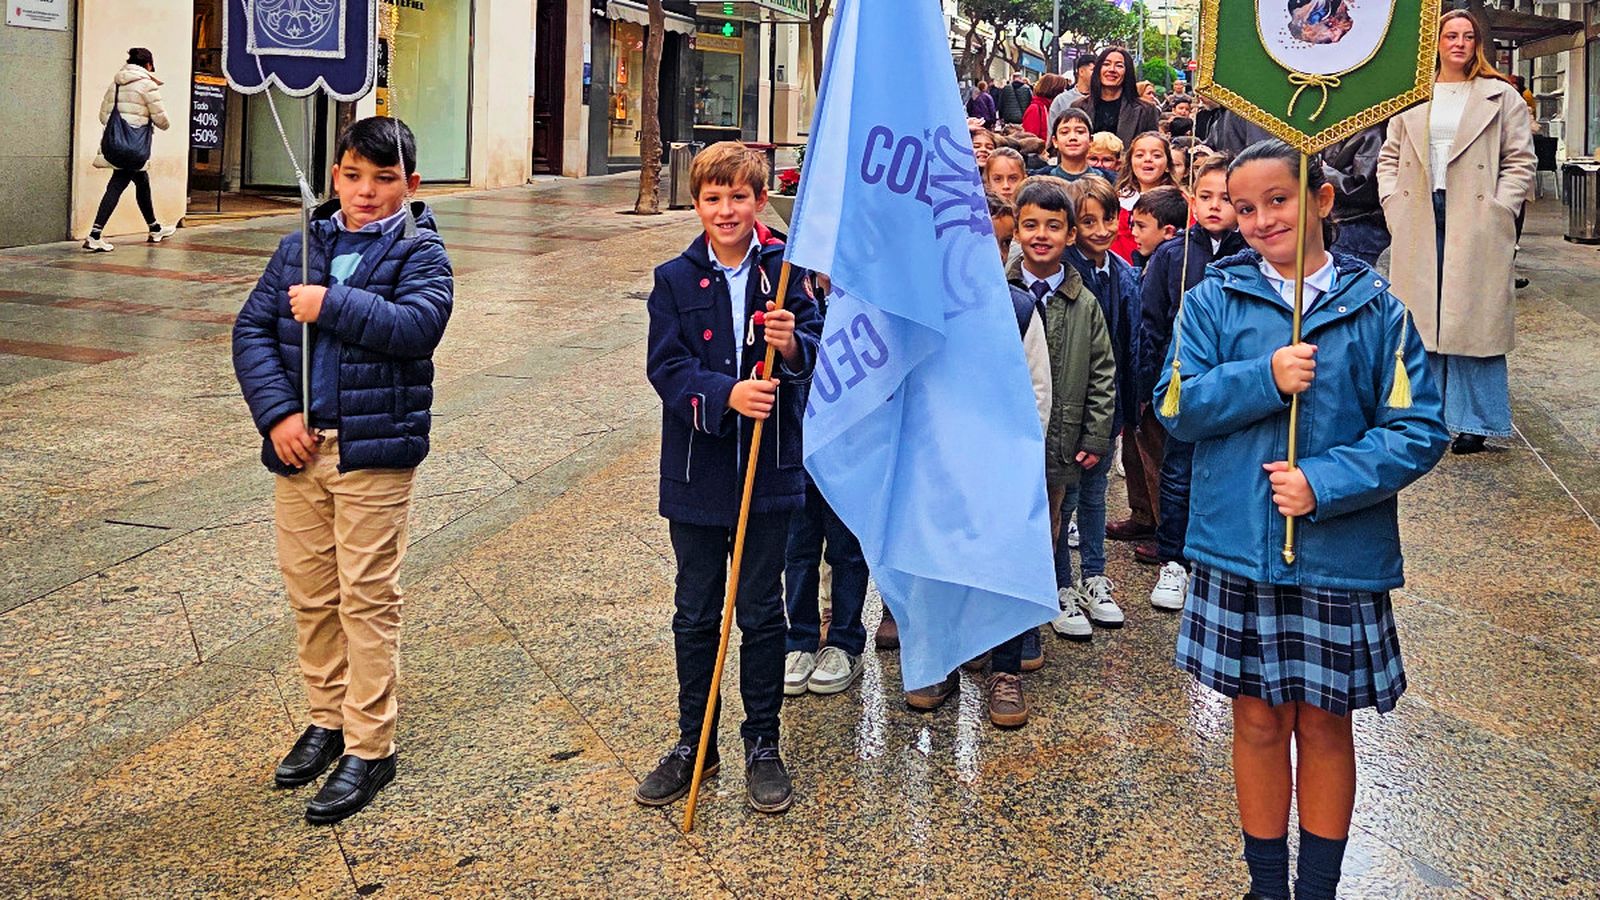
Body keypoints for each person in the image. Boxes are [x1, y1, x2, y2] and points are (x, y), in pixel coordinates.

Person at [1156, 138, 1447, 900]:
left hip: (1336, 552)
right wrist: (1263, 376)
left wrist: (1323, 481)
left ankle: (1317, 887)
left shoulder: (1377, 308)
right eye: (1244, 208)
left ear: (1320, 201)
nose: (1259, 220)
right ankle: (1266, 886)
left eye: (1277, 201)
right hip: (1238, 547)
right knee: (1256, 721)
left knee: (1323, 724)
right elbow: (1175, 404)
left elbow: (1418, 427)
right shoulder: (1212, 300)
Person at [233, 116, 454, 825]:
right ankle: (325, 718)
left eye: (384, 179)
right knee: (312, 595)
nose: (366, 191)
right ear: (335, 177)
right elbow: (252, 332)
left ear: (410, 185)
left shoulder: (422, 251)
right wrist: (277, 418)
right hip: (302, 449)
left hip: (373, 451)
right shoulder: (301, 246)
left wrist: (331, 304)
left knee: (367, 597)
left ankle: (369, 742)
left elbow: (418, 327)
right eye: (354, 176)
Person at [636, 142, 822, 813]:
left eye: (739, 197)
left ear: (760, 199)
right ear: (696, 204)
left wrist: (792, 343)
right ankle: (695, 741)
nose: (726, 210)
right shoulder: (674, 279)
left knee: (761, 611)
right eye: (713, 198)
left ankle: (762, 741)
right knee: (696, 611)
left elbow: (817, 355)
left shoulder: (787, 273)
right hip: (699, 473)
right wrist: (725, 395)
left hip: (768, 473)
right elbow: (667, 368)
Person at [910, 191, 1054, 721]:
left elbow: (1038, 391)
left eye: (992, 246)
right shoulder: (922, 313)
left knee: (1003, 564)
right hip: (938, 462)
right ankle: (941, 659)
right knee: (940, 562)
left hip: (1000, 466)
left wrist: (1018, 457)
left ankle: (1005, 668)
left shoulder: (1019, 310)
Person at [1378, 8, 1534, 454]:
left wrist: (1501, 209)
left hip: (1477, 211)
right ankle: (1424, 413)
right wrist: (1392, 202)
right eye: (1451, 35)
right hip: (1419, 209)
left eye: (1467, 36)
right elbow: (1389, 156)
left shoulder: (1499, 96)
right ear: (1438, 42)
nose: (1459, 43)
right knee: (1421, 315)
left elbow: (1519, 159)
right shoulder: (1410, 94)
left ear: (1477, 44)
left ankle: (1474, 420)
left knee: (1472, 318)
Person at [1006, 177, 1116, 655]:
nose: (1041, 235)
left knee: (1045, 533)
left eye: (1053, 226)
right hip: (1006, 445)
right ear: (1016, 232)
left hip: (1059, 444)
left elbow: (1102, 373)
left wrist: (1095, 436)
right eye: (1030, 225)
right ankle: (996, 627)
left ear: (1071, 234)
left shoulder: (1083, 301)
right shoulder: (1000, 295)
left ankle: (1028, 626)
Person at [1140, 154, 1246, 604]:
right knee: (1178, 469)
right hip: (1184, 380)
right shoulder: (1172, 254)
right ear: (1191, 200)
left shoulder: (1252, 253)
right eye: (1206, 197)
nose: (1216, 206)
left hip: (1234, 382)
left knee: (1228, 470)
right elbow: (1150, 322)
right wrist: (1150, 383)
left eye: (1227, 198)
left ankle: (1217, 559)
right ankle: (1174, 559)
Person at [1055, 175, 1141, 638]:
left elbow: (1132, 346)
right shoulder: (1064, 274)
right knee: (1063, 500)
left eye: (1108, 218)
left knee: (1095, 496)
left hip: (1106, 410)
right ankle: (1060, 584)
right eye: (1088, 220)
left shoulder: (1123, 272)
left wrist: (1130, 406)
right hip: (1070, 410)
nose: (1101, 229)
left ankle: (1094, 575)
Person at [782, 274, 870, 699]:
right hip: (796, 443)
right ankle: (799, 638)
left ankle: (845, 641)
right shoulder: (791, 288)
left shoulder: (868, 297)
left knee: (846, 548)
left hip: (850, 444)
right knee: (798, 547)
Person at [84, 48, 176, 252]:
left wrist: (122, 127)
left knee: (142, 182)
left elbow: (103, 116)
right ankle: (94, 235)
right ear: (149, 65)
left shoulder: (115, 84)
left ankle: (155, 228)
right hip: (133, 148)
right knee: (117, 184)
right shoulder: (147, 85)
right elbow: (162, 120)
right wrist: (141, 124)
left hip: (116, 145)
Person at [1111, 131, 1177, 262]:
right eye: (1140, 155)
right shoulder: (1117, 201)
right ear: (1130, 162)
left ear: (1168, 165)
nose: (1148, 159)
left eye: (1156, 155)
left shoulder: (1180, 202)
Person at [1074, 48, 1160, 145]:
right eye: (1106, 64)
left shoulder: (1146, 110)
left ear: (1127, 72)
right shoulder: (1079, 107)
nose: (1111, 70)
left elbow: (1152, 147)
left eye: (1119, 66)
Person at [1038, 109, 1113, 182]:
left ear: (1090, 140)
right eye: (1065, 132)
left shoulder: (1109, 181)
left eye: (1080, 132)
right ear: (1055, 141)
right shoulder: (1042, 181)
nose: (1072, 137)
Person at [1129, 184, 1187, 270]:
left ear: (1168, 232)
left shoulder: (1177, 269)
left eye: (1141, 226)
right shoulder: (1141, 260)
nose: (1133, 232)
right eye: (1133, 225)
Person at [1050, 54, 1099, 130]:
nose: (1097, 74)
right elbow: (1052, 130)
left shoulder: (1102, 99)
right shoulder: (1061, 100)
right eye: (1093, 70)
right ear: (1081, 71)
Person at [1022, 73, 1069, 141]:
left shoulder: (1053, 107)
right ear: (1054, 90)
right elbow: (1030, 140)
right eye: (1062, 90)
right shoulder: (1035, 108)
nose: (1064, 93)